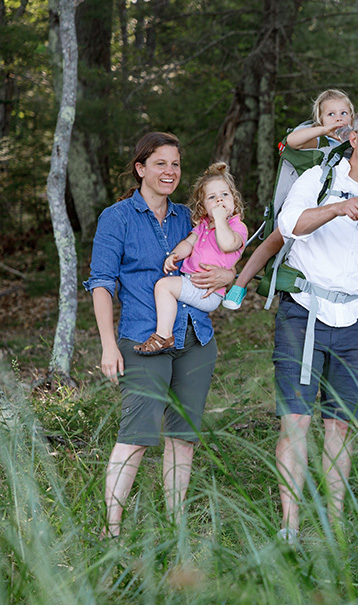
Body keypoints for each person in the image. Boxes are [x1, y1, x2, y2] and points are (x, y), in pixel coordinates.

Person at [84, 132, 236, 537]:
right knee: (136, 434)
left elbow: (226, 254)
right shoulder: (116, 218)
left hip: (195, 338)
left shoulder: (190, 216)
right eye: (160, 164)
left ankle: (175, 527)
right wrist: (107, 346)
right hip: (142, 338)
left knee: (182, 437)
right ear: (141, 169)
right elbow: (101, 283)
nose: (169, 172)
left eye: (175, 164)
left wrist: (230, 274)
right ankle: (110, 530)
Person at [271, 101, 358, 542]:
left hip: (354, 321)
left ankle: (334, 523)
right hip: (304, 313)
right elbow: (288, 223)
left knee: (342, 424)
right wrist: (335, 208)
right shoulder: (319, 179)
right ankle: (289, 528)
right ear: (353, 137)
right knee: (296, 421)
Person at [223, 89, 355, 310]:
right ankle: (241, 283)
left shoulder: (356, 144)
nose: (338, 118)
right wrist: (323, 130)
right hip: (307, 204)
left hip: (338, 207)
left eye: (344, 113)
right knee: (276, 239)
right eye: (331, 114)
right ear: (320, 119)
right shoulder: (319, 139)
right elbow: (292, 141)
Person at [133, 162, 248, 355]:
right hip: (194, 283)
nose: (219, 201)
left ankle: (163, 336)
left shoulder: (238, 227)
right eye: (212, 198)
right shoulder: (203, 225)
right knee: (167, 286)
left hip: (209, 291)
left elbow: (228, 244)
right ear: (203, 207)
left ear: (234, 200)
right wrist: (174, 255)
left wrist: (220, 220)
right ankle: (166, 334)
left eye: (225, 195)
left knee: (164, 286)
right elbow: (189, 242)